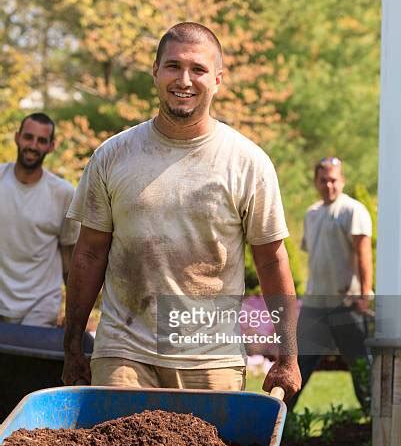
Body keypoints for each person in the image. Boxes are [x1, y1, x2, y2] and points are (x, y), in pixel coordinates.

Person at [62, 22, 301, 399]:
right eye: (173, 66)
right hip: (124, 353)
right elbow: (89, 253)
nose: (184, 79)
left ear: (218, 80)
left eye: (199, 70)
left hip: (211, 361)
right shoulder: (113, 156)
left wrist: (288, 356)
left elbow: (271, 261)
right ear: (155, 72)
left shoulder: (247, 162)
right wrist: (72, 344)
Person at [289, 156, 373, 411]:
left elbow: (363, 254)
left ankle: (373, 423)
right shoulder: (312, 213)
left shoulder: (353, 210)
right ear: (316, 182)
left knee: (362, 370)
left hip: (347, 303)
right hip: (316, 304)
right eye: (323, 180)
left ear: (342, 180)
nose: (329, 185)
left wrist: (364, 294)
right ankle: (281, 423)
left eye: (334, 180)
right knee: (297, 365)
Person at [0, 113, 80, 327]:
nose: (33, 145)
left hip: (41, 306)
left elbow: (69, 260)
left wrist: (75, 315)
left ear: (51, 146)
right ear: (17, 138)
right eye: (28, 137)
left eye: (41, 141)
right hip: (1, 300)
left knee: (28, 361)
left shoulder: (63, 193)